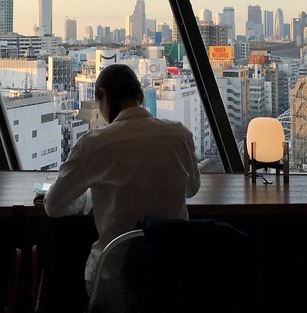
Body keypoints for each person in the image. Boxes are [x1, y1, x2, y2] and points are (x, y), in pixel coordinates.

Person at [43, 63, 200, 295]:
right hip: (171, 276)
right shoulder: (179, 135)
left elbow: (52, 206)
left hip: (113, 282)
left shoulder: (92, 144)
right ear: (140, 96)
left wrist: (89, 197)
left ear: (103, 96)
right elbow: (192, 189)